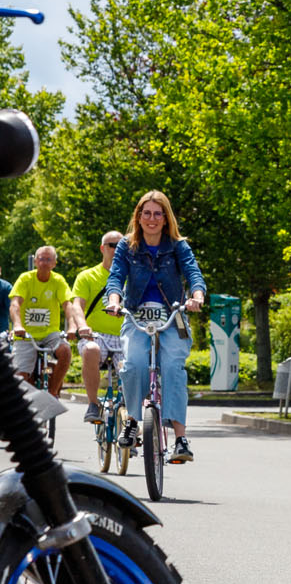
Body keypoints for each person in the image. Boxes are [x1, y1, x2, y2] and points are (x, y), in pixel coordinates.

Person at [105, 192, 208, 462]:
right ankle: (132, 422)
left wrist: (197, 296)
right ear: (139, 217)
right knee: (133, 364)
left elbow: (193, 273)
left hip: (172, 316)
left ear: (165, 218)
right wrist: (114, 301)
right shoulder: (127, 246)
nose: (152, 219)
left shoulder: (178, 246)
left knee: (173, 366)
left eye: (157, 214)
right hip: (137, 315)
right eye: (147, 213)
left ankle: (180, 439)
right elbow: (116, 277)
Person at [9, 245, 79, 397]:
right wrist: (18, 325)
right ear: (35, 261)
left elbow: (68, 305)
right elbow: (15, 304)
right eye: (41, 259)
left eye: (48, 259)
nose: (44, 263)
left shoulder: (58, 280)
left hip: (50, 334)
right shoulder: (25, 279)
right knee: (20, 379)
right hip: (26, 335)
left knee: (65, 351)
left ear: (54, 263)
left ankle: (53, 392)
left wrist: (72, 327)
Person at [72, 230, 126, 423]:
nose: (116, 250)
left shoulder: (134, 276)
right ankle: (93, 404)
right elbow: (77, 305)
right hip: (97, 335)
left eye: (121, 246)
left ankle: (130, 414)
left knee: (138, 362)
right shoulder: (88, 276)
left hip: (125, 336)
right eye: (112, 246)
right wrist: (82, 326)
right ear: (103, 248)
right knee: (91, 349)